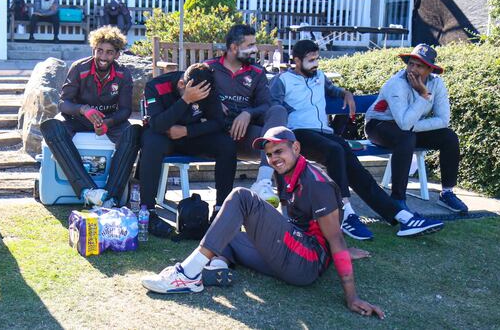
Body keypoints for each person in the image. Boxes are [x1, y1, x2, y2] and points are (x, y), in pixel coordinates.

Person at [141, 127, 386, 321]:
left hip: (306, 263)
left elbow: (336, 239)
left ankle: (188, 275)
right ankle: (217, 266)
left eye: (279, 151)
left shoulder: (317, 183)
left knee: (241, 197)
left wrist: (352, 296)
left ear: (296, 148)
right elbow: (289, 219)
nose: (273, 159)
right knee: (224, 229)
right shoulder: (286, 172)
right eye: (269, 155)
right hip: (292, 249)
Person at [270, 40, 444, 239]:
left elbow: (331, 89)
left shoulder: (319, 76)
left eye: (317, 58)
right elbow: (273, 107)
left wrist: (345, 93)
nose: (316, 64)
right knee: (335, 151)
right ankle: (345, 214)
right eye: (311, 60)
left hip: (323, 133)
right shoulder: (282, 80)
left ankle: (401, 216)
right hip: (298, 134)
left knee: (356, 168)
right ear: (297, 60)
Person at [40, 26, 141, 206]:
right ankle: (88, 191)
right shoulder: (79, 68)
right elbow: (64, 104)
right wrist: (84, 110)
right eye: (99, 50)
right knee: (51, 127)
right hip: (78, 119)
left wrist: (107, 123)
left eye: (109, 52)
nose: (103, 56)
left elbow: (125, 110)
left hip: (108, 121)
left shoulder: (123, 73)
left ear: (117, 54)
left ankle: (111, 197)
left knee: (134, 132)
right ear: (93, 49)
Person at [365, 44, 467, 213]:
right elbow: (404, 124)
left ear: (430, 69)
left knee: (449, 137)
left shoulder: (437, 84)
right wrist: (424, 96)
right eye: (410, 63)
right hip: (378, 125)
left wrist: (415, 126)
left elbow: (443, 119)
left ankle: (447, 193)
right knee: (406, 138)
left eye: (419, 65)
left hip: (409, 127)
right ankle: (397, 199)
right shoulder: (396, 83)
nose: (412, 69)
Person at [138, 63, 238, 236]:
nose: (199, 100)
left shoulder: (207, 86)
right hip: (163, 136)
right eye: (195, 96)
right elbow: (156, 124)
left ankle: (220, 209)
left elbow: (218, 122)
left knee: (226, 145)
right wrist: (186, 100)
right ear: (182, 85)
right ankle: (148, 212)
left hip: (191, 135)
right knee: (151, 142)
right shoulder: (155, 86)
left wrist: (187, 131)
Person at [204, 24, 287, 212]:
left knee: (280, 124)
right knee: (281, 146)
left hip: (246, 136)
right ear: (234, 48)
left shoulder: (256, 72)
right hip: (215, 135)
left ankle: (265, 182)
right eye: (250, 45)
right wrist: (213, 103)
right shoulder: (209, 69)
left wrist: (248, 113)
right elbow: (191, 93)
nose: (255, 50)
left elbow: (266, 104)